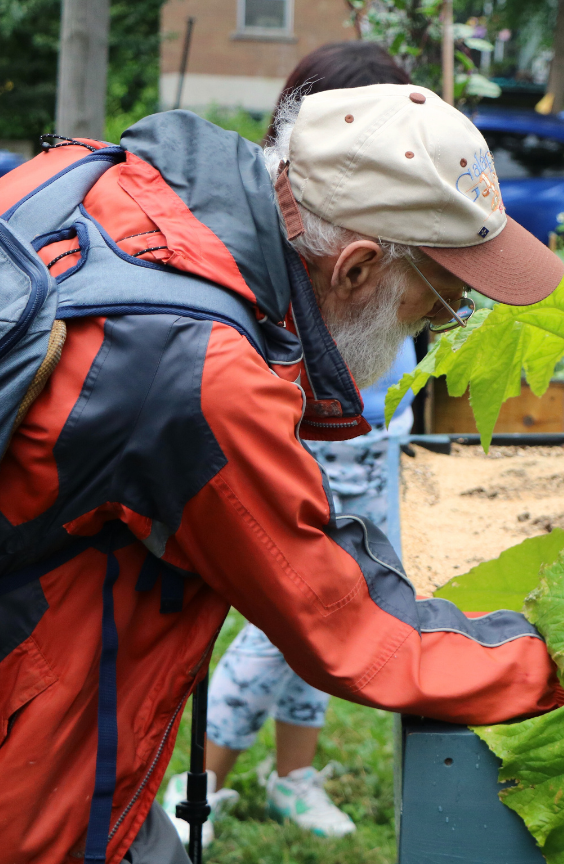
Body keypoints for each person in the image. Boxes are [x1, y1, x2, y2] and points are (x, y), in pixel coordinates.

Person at [0, 81, 564, 864]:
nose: (439, 325)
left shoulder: (104, 178)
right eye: (438, 302)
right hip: (7, 785)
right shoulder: (200, 372)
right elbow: (350, 628)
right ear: (357, 268)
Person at [160, 41, 416, 846]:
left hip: (381, 444)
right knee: (293, 623)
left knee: (353, 602)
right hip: (324, 443)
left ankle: (294, 772)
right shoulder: (309, 219)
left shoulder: (399, 201)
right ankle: (197, 782)